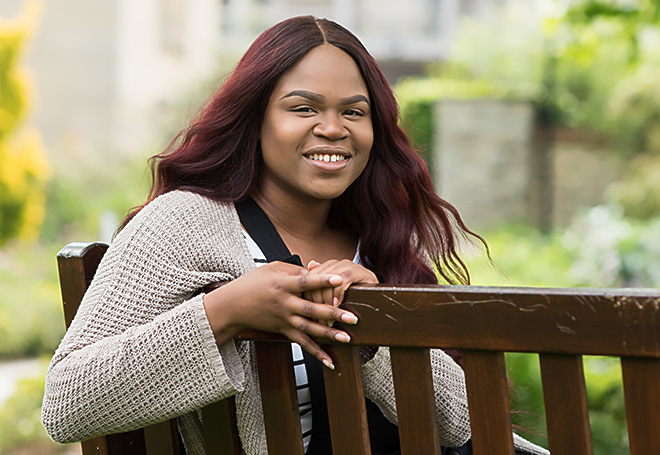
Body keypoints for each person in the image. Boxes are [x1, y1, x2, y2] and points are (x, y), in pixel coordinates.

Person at [42, 16, 548, 455]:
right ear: (255, 119)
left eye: (354, 111)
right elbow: (67, 403)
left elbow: (466, 426)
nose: (333, 128)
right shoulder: (187, 224)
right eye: (303, 108)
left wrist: (377, 328)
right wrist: (227, 311)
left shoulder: (378, 239)